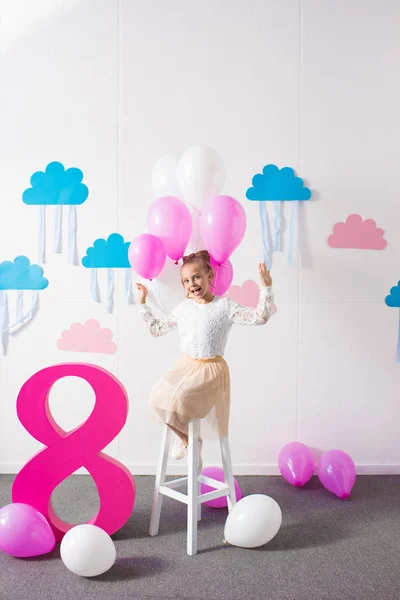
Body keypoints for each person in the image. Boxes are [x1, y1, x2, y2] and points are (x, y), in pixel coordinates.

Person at [136, 250, 274, 473]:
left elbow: (260, 317)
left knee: (179, 398)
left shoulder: (224, 307)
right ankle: (189, 440)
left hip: (211, 370)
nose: (192, 284)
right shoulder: (183, 309)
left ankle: (189, 440)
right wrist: (143, 304)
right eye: (186, 281)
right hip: (186, 366)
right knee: (157, 397)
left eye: (196, 277)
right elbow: (156, 329)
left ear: (210, 276)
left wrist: (266, 287)